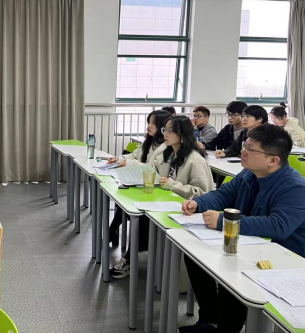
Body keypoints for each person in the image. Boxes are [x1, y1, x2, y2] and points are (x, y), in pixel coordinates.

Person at [179, 124, 305, 334]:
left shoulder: (295, 187)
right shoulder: (248, 174)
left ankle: (226, 328)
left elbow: (278, 226)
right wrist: (198, 203)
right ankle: (211, 319)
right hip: (252, 245)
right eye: (245, 146)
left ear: (273, 160)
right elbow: (223, 195)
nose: (243, 152)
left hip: (283, 257)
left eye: (251, 149)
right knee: (195, 257)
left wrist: (224, 221)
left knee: (232, 274)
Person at [111, 116, 215, 279]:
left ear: (182, 134)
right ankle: (132, 258)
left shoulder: (195, 160)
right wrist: (129, 167)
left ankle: (130, 260)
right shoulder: (168, 153)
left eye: (170, 131)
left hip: (189, 211)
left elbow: (203, 193)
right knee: (140, 211)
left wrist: (172, 185)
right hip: (168, 203)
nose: (166, 134)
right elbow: (151, 171)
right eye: (165, 129)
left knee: (143, 219)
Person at [107, 110, 172, 252]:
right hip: (142, 183)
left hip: (155, 188)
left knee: (130, 203)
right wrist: (119, 159)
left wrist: (129, 163)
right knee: (123, 198)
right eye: (149, 122)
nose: (149, 126)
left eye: (153, 123)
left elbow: (152, 169)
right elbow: (134, 155)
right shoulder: (149, 142)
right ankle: (112, 231)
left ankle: (113, 233)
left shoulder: (166, 147)